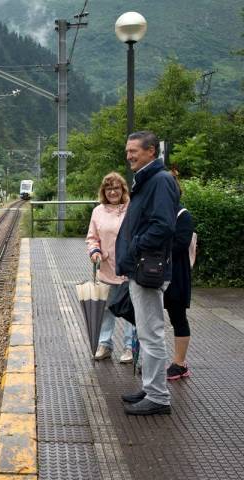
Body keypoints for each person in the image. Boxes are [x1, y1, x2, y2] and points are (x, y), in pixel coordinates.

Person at [115, 131, 179, 416]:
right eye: (127, 151)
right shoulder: (147, 179)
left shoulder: (160, 181)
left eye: (134, 151)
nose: (129, 156)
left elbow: (163, 225)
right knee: (145, 331)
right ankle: (151, 385)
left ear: (151, 151)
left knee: (151, 333)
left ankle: (158, 396)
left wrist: (136, 247)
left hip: (148, 268)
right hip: (140, 267)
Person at [86, 172, 134, 363]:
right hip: (106, 268)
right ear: (103, 191)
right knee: (106, 309)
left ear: (123, 189)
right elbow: (92, 237)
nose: (112, 192)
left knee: (131, 310)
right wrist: (94, 252)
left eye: (116, 188)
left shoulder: (131, 208)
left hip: (129, 269)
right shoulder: (98, 211)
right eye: (108, 188)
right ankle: (105, 344)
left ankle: (130, 347)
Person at [164, 199, 194, 380]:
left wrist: (154, 247)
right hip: (155, 273)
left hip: (176, 275)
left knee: (178, 317)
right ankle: (153, 361)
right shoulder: (156, 211)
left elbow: (181, 243)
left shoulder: (182, 215)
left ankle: (180, 363)